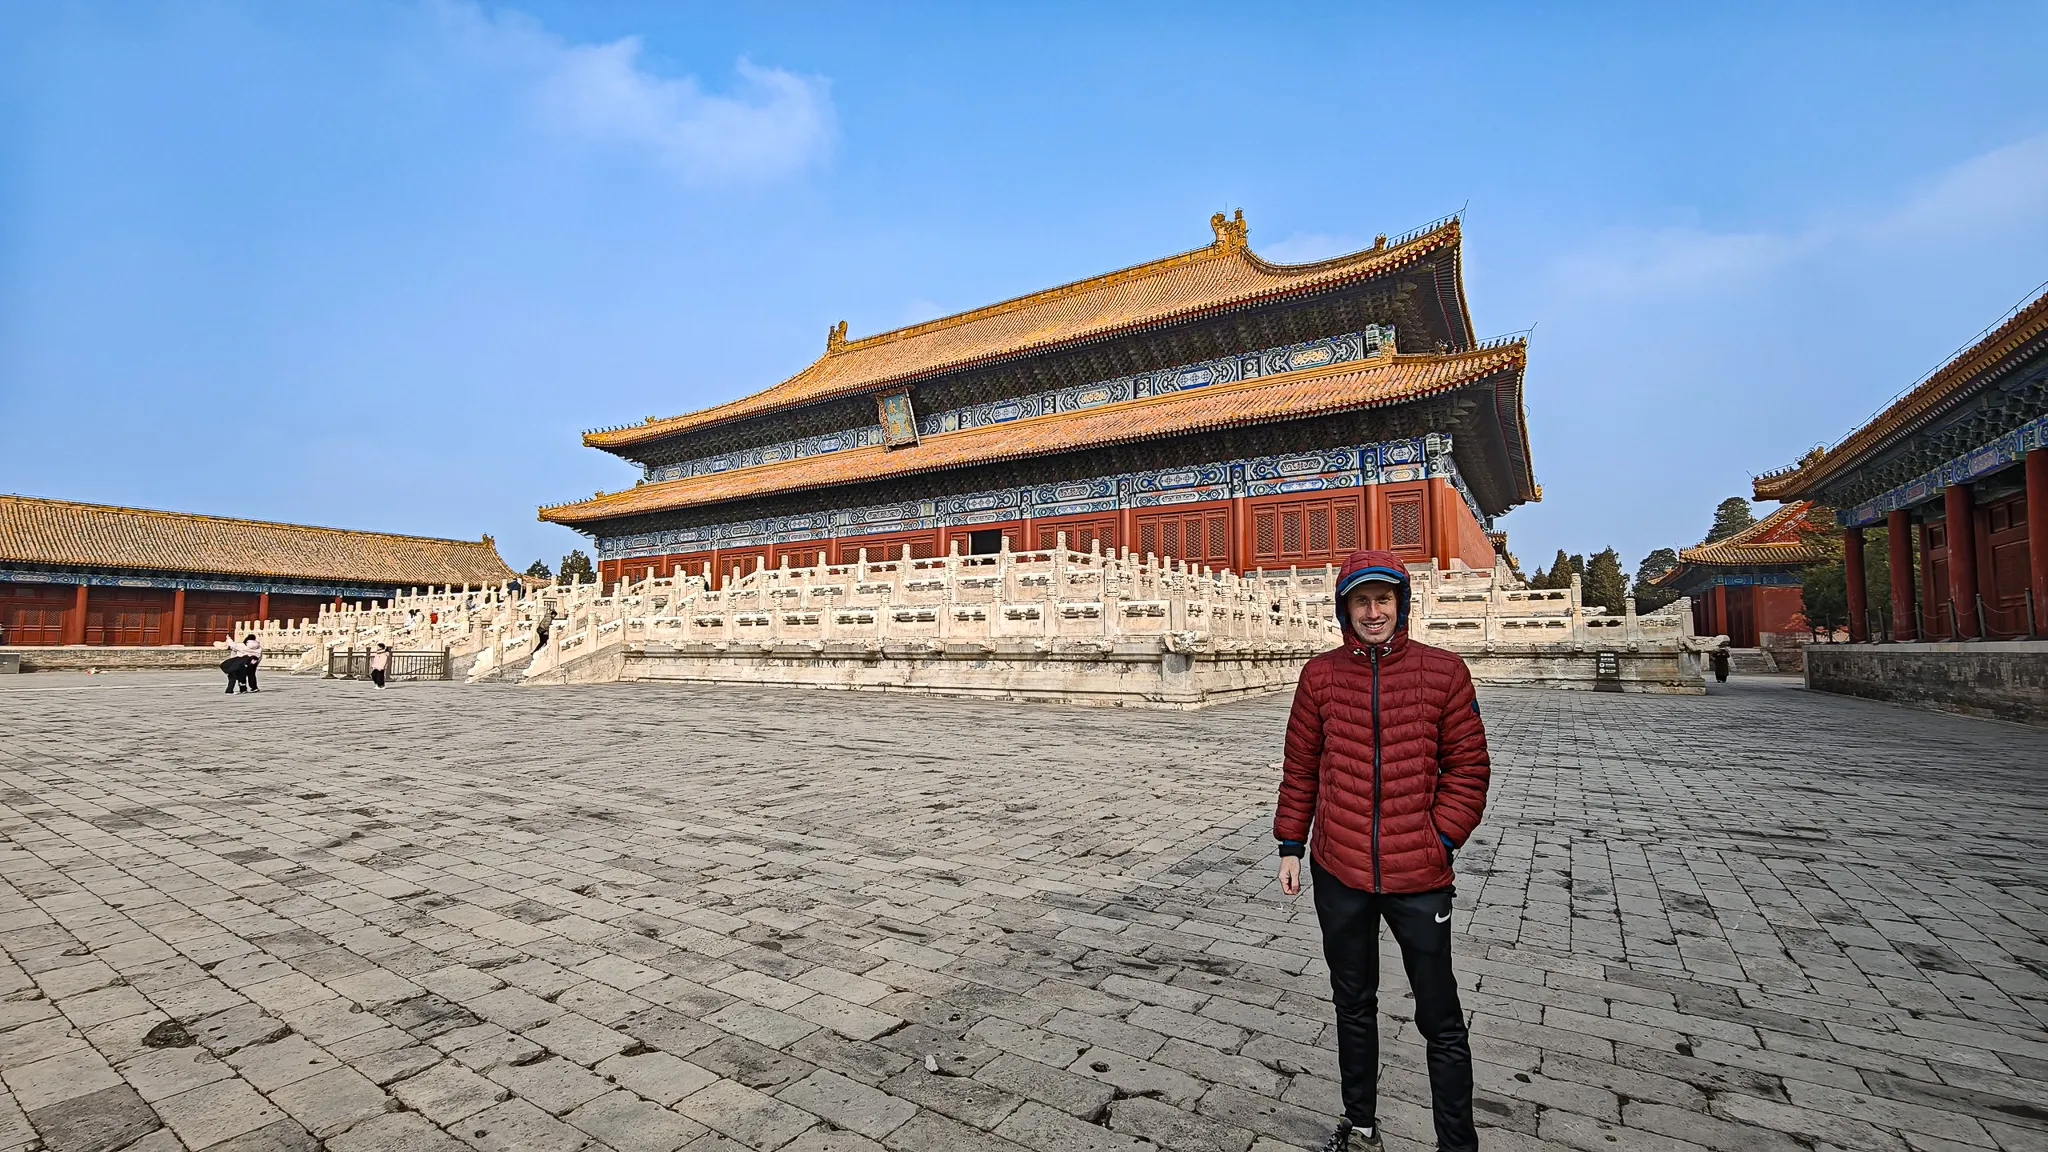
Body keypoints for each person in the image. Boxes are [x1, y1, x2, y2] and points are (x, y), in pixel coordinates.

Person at [1275, 549, 1492, 1152]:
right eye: (1361, 601)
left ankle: (1457, 1143)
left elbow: (1469, 769)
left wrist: (1440, 838)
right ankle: (1362, 1123)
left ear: (1402, 605)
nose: (1374, 612)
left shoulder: (1444, 673)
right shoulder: (1320, 676)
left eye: (1384, 600)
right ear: (1345, 610)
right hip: (1338, 865)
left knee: (1441, 1016)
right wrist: (1293, 844)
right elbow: (1301, 768)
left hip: (1419, 872)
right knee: (1353, 1002)